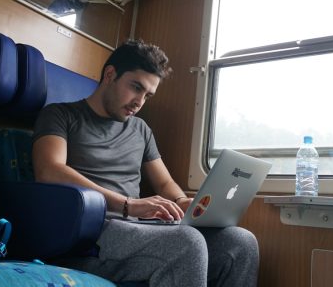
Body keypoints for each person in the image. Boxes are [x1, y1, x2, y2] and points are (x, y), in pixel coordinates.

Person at [32, 39, 259, 286]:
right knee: (187, 243)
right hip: (94, 232)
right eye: (135, 87)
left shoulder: (140, 129)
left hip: (138, 230)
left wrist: (183, 203)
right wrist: (128, 205)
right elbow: (49, 170)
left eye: (147, 95)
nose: (140, 102)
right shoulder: (60, 115)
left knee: (240, 243)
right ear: (110, 75)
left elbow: (164, 182)